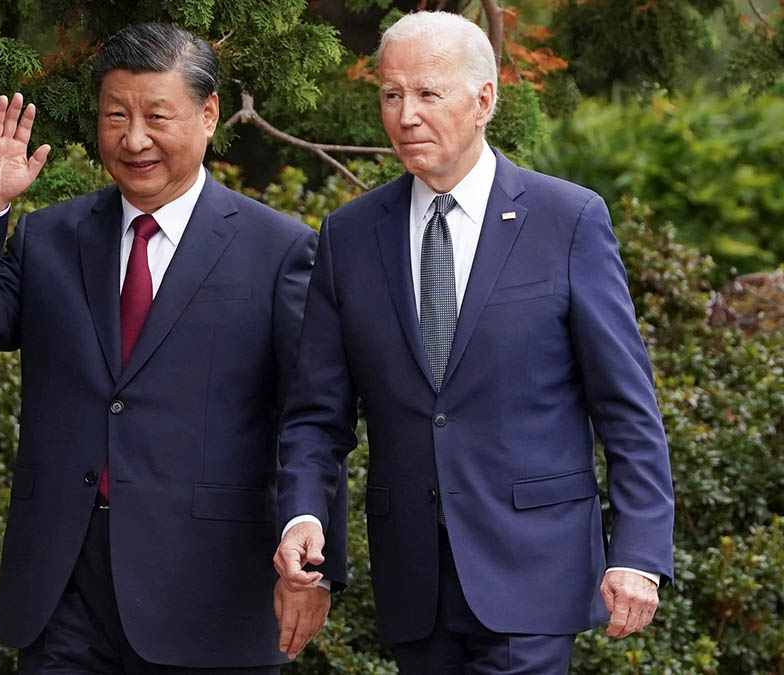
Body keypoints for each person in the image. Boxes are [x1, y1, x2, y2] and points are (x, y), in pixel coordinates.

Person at [0, 22, 345, 674]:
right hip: (64, 585)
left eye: (156, 115)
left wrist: (315, 557)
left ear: (209, 115)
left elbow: (312, 417)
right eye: (115, 116)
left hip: (210, 594)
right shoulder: (50, 238)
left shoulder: (280, 251)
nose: (134, 138)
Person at [272, 11, 674, 674]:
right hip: (414, 584)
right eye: (391, 95)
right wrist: (303, 518)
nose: (405, 115)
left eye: (427, 94)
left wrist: (638, 551)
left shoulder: (567, 220)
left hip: (534, 572)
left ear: (484, 99)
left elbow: (627, 408)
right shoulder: (349, 235)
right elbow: (317, 414)